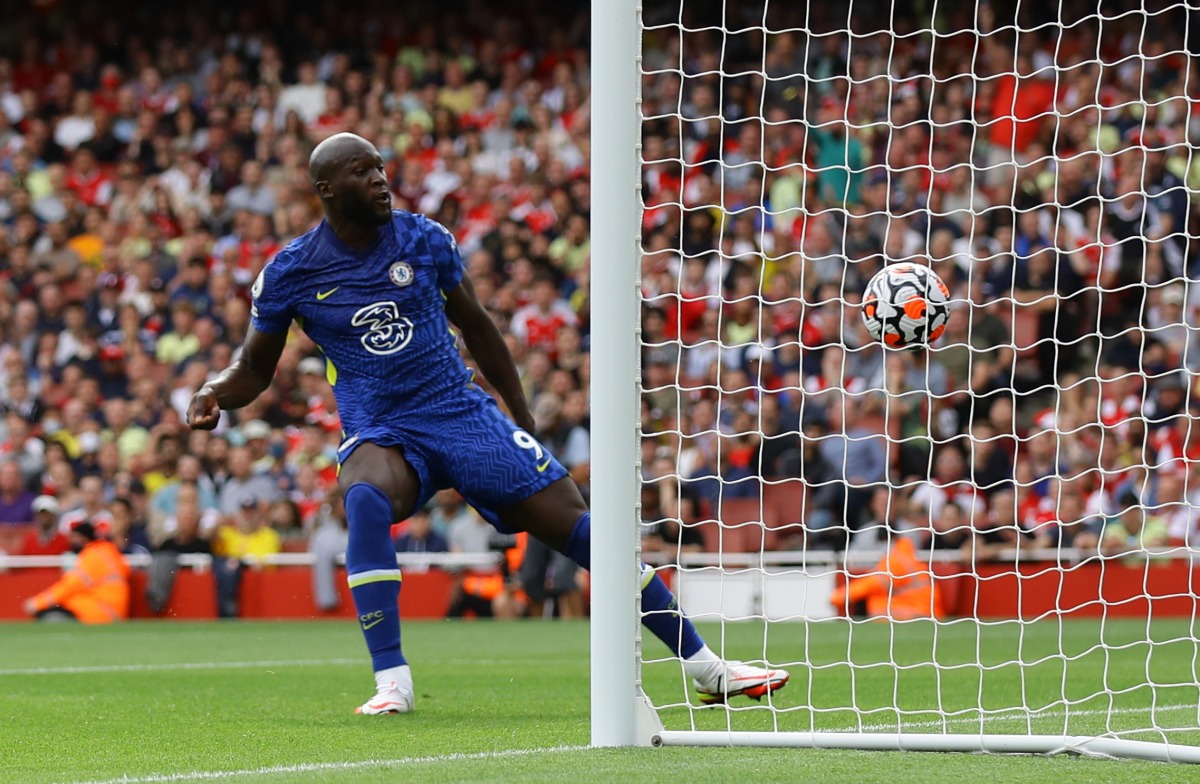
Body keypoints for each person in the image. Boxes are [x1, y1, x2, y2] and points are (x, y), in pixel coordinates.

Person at [187, 132, 789, 714]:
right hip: (381, 425)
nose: (380, 179)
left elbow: (477, 327)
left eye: (380, 167)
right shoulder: (293, 270)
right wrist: (214, 391)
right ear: (325, 187)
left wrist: (519, 416)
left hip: (460, 412)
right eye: (363, 171)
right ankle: (392, 681)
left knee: (576, 526)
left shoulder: (423, 240)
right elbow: (254, 367)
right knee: (364, 498)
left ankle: (707, 667)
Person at [21, 521, 131, 623]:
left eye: (75, 537)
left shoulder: (92, 557)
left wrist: (37, 603)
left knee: (50, 613)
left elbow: (69, 586)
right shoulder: (108, 551)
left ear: (83, 538)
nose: (72, 541)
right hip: (113, 611)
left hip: (100, 612)